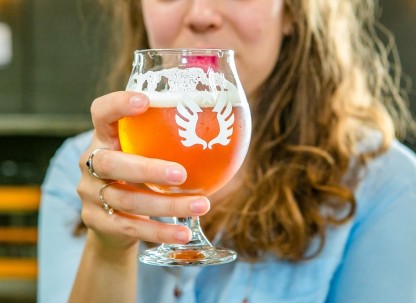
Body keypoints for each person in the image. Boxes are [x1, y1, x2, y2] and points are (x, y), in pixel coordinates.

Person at [38, 1, 416, 302]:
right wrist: (108, 250)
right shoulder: (87, 171)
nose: (201, 14)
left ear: (293, 11)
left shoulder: (389, 184)